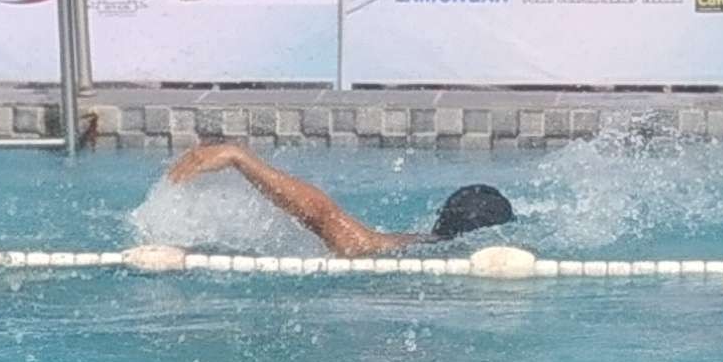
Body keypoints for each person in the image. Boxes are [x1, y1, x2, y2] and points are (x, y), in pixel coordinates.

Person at [162, 141, 515, 259]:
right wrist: (241, 158)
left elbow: (325, 218)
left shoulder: (417, 244)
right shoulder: (415, 251)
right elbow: (327, 220)